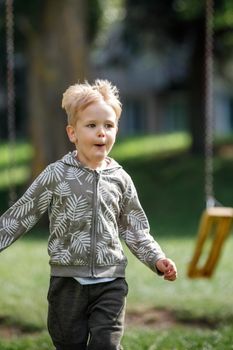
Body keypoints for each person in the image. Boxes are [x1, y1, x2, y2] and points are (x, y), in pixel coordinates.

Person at [0, 79, 177, 350]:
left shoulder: (121, 179)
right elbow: (21, 215)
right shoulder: (56, 175)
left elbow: (135, 229)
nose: (101, 133)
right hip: (67, 284)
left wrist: (157, 258)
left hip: (111, 282)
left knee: (106, 345)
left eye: (108, 125)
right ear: (72, 133)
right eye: (91, 125)